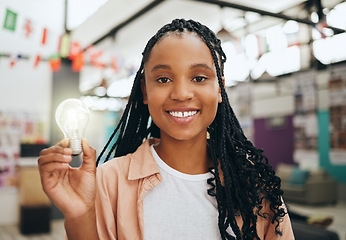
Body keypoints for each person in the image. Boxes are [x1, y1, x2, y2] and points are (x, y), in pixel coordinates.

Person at [38, 19, 294, 239]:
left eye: (199, 78)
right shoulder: (108, 181)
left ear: (219, 89)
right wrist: (80, 214)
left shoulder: (255, 188)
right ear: (145, 91)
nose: (182, 94)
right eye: (163, 79)